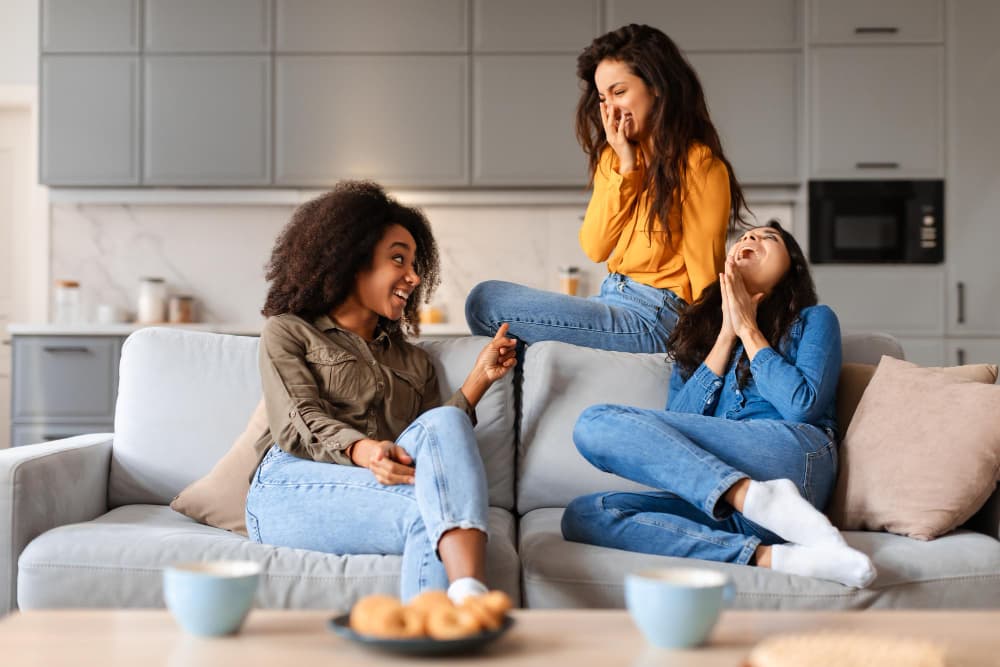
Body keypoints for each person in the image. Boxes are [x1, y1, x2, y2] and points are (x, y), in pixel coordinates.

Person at [561, 223, 877, 588]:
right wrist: (725, 335)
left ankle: (764, 499)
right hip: (727, 506)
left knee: (597, 420)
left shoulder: (814, 320)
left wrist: (748, 329)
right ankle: (773, 556)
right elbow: (672, 431)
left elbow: (801, 405)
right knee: (584, 513)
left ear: (792, 266)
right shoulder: (696, 341)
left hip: (794, 460)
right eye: (743, 237)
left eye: (767, 238)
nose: (749, 239)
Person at [244, 181, 517, 603]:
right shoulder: (288, 331)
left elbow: (429, 446)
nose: (414, 276)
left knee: (439, 468)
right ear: (352, 260)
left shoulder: (414, 362)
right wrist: (366, 451)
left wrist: (479, 379)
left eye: (414, 263)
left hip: (373, 483)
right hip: (289, 483)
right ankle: (467, 608)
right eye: (397, 259)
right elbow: (299, 422)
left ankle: (462, 602)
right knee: (438, 514)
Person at [465, 24, 748, 353]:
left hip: (656, 316)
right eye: (602, 98)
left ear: (656, 86)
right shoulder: (613, 159)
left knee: (485, 301)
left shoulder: (699, 164)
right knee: (490, 308)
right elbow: (595, 246)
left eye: (619, 92)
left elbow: (705, 272)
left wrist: (714, 348)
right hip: (611, 298)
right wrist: (627, 168)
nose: (610, 109)